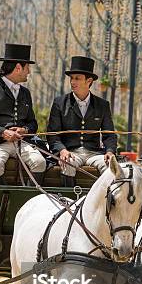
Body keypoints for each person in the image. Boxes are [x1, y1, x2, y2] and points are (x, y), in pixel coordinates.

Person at [0, 43, 46, 186]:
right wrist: (3, 132)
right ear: (18, 68)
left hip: (22, 143)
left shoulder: (26, 93)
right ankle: (3, 200)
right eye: (27, 67)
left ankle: (28, 201)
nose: (29, 72)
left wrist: (25, 130)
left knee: (40, 163)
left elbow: (33, 123)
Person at [46, 55, 117, 186]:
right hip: (71, 152)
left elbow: (109, 134)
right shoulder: (59, 103)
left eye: (77, 78)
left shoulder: (103, 105)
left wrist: (110, 151)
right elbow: (52, 134)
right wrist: (62, 150)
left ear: (89, 81)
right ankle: (69, 201)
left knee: (109, 167)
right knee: (68, 163)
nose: (73, 82)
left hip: (94, 153)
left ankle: (105, 203)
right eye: (71, 78)